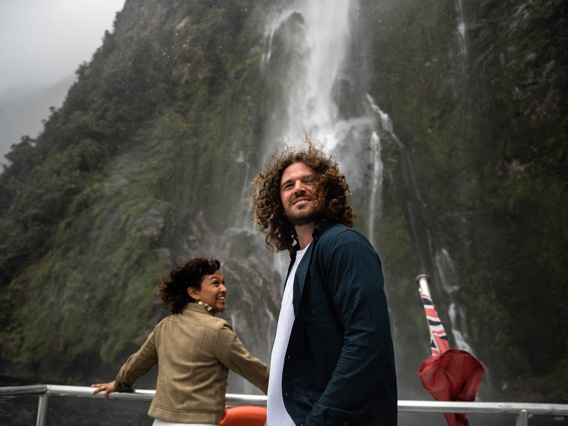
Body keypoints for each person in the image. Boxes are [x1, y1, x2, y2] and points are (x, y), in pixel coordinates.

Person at [250, 137, 397, 425]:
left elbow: (367, 340)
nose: (298, 188)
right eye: (288, 185)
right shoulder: (300, 259)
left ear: (326, 189)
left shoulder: (344, 245)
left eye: (308, 181)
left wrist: (320, 421)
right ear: (278, 203)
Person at [91, 257, 269, 426]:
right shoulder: (217, 330)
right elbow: (255, 371)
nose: (224, 289)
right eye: (216, 283)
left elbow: (137, 364)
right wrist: (292, 390)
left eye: (223, 283)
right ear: (193, 292)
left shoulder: (165, 326)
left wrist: (119, 384)